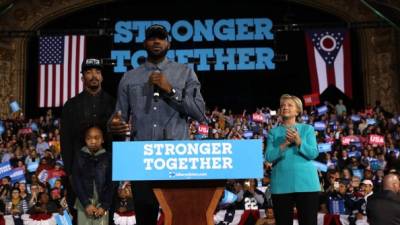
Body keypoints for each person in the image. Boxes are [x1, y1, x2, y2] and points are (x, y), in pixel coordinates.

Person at [109, 24, 206, 225]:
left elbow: (199, 113)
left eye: (160, 38)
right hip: (141, 157)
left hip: (176, 155)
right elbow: (119, 115)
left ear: (168, 43)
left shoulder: (185, 73)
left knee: (180, 217)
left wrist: (170, 90)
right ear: (145, 43)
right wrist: (114, 124)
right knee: (145, 217)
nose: (156, 42)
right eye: (152, 38)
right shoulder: (129, 77)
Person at [60, 58, 115, 208]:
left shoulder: (114, 103)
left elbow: (118, 139)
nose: (94, 75)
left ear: (102, 77)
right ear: (82, 77)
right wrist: (70, 173)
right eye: (89, 72)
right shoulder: (70, 105)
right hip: (79, 173)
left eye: (97, 72)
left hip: (107, 172)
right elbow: (65, 142)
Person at [265, 94, 320, 225]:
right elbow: (268, 157)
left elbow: (313, 153)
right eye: (283, 105)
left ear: (297, 111)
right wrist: (284, 144)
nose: (285, 107)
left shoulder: (307, 129)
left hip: (306, 184)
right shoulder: (273, 132)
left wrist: (299, 142)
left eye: (289, 105)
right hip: (281, 184)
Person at [72, 125, 113, 225]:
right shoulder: (79, 156)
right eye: (89, 138)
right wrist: (86, 204)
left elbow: (111, 183)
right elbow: (77, 181)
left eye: (97, 138)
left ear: (102, 140)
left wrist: (104, 205)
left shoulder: (108, 157)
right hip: (83, 204)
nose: (93, 141)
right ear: (85, 140)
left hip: (102, 204)